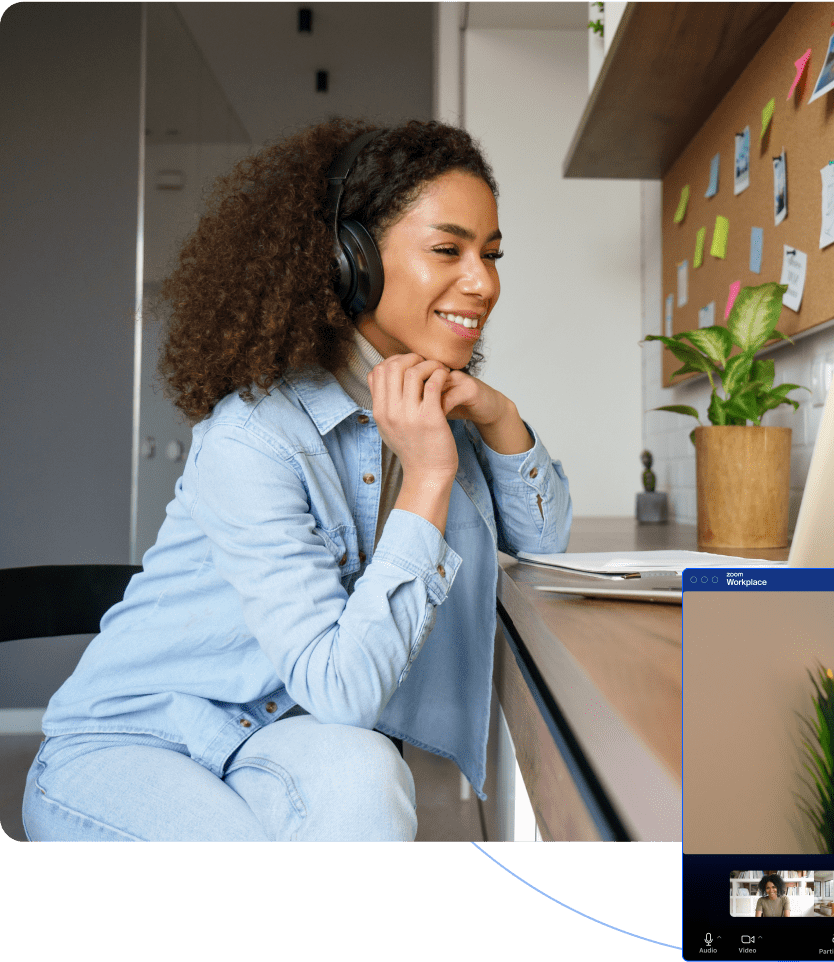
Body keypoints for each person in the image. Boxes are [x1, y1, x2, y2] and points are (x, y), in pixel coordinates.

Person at [22, 119, 572, 842]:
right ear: (351, 260)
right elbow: (344, 690)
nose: (484, 283)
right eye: (449, 250)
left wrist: (500, 417)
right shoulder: (254, 438)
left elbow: (543, 544)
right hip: (134, 741)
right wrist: (429, 475)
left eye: (491, 255)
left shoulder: (434, 409)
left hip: (275, 738)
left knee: (367, 778)